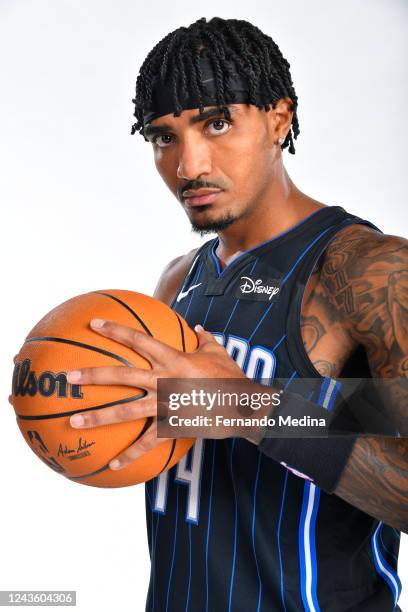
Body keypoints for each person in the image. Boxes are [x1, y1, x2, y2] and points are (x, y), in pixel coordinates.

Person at [67, 17, 407, 611]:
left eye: (217, 123)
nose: (187, 165)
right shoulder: (179, 281)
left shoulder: (367, 273)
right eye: (163, 136)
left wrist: (251, 405)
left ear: (279, 119)